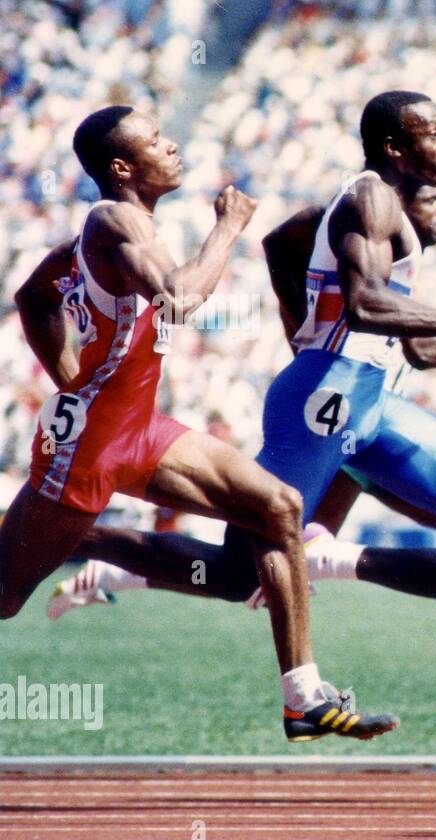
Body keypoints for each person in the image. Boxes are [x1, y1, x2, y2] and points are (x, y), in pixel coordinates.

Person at [40, 92, 436, 743]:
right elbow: (368, 304)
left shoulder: (385, 208)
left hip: (370, 401)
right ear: (397, 149)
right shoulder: (371, 198)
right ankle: (85, 540)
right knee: (238, 575)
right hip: (322, 401)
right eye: (432, 132)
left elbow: (399, 332)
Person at [6, 105, 397, 741]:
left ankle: (303, 697)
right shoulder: (114, 218)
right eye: (157, 141)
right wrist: (229, 228)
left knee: (278, 507)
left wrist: (72, 378)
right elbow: (180, 298)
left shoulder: (106, 233)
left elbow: (35, 295)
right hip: (90, 448)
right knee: (5, 595)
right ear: (122, 167)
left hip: (139, 429)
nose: (173, 146)